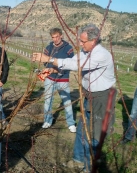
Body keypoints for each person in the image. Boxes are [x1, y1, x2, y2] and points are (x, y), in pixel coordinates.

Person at [32, 23, 116, 172]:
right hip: (87, 94)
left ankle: (89, 168)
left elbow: (79, 65)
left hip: (101, 98)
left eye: (83, 41)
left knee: (95, 135)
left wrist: (49, 58)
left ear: (94, 41)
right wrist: (52, 68)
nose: (80, 44)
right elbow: (71, 62)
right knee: (81, 129)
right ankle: (77, 159)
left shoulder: (101, 54)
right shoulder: (85, 51)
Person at [40, 27, 76, 133]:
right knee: (48, 101)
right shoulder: (49, 48)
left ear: (61, 36)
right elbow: (44, 61)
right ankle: (47, 121)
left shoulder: (68, 48)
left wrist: (57, 70)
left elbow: (71, 64)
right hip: (50, 79)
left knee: (67, 101)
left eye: (57, 37)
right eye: (53, 37)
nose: (55, 39)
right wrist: (48, 68)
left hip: (63, 79)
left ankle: (71, 123)